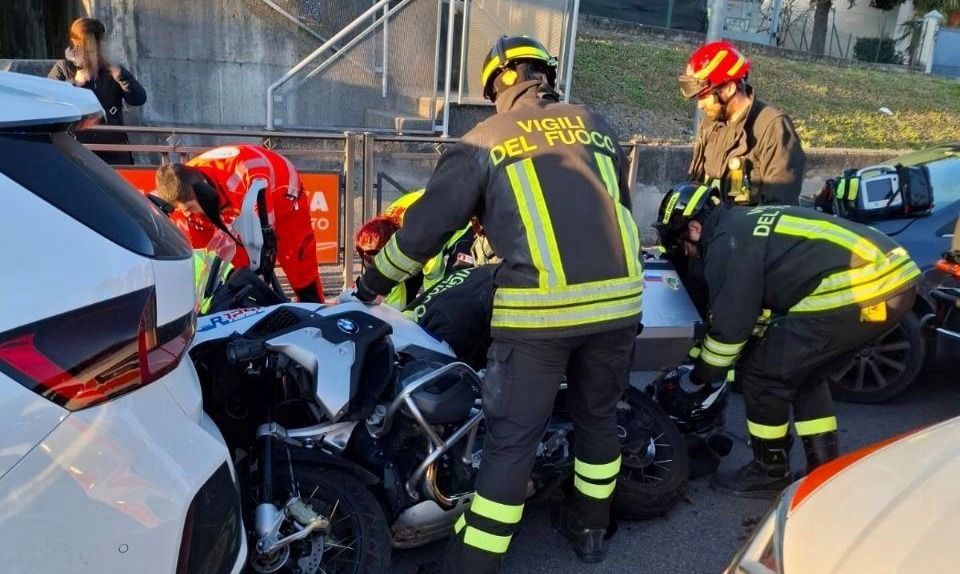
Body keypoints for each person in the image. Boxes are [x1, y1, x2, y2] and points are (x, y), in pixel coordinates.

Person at [340, 35, 643, 573]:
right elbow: (613, 199)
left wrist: (370, 286)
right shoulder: (596, 125)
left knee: (510, 442)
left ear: (498, 84)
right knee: (597, 418)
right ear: (543, 74)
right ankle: (590, 530)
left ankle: (472, 564)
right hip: (619, 305)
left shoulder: (485, 139)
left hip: (540, 315)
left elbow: (425, 232)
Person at [654, 182, 920, 497]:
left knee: (763, 376)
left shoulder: (726, 245)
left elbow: (730, 330)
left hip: (861, 287)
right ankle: (823, 471)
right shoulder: (742, 222)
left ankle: (769, 472)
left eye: (684, 246)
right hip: (895, 279)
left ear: (694, 229)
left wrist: (700, 377)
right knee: (805, 375)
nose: (688, 254)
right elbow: (762, 308)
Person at [154, 144, 324, 303]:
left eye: (189, 207)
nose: (186, 214)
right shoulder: (183, 183)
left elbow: (264, 241)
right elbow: (204, 255)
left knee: (299, 264)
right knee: (237, 271)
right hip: (233, 196)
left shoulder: (247, 178)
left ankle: (313, 306)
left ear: (203, 192)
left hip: (283, 199)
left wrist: (260, 276)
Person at [680, 41, 805, 207]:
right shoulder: (711, 123)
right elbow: (697, 182)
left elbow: (779, 208)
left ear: (729, 89)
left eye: (704, 96)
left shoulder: (774, 128)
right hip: (711, 230)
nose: (700, 105)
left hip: (746, 231)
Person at [354, 189, 476, 310]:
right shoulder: (383, 226)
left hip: (462, 221)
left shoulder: (420, 233)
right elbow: (392, 277)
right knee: (406, 274)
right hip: (434, 214)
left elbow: (433, 276)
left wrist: (430, 309)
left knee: (455, 284)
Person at [48, 17, 146, 165]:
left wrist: (122, 76)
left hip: (114, 151)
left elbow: (138, 99)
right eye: (85, 43)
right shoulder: (64, 68)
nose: (90, 48)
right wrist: (75, 83)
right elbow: (47, 102)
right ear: (74, 41)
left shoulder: (111, 68)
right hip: (75, 150)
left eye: (95, 43)